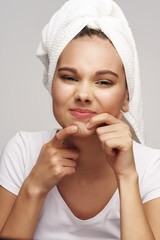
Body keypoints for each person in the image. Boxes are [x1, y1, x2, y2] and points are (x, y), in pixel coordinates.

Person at [0, 0, 160, 239]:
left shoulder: (151, 166)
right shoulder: (23, 150)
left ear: (127, 97)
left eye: (104, 82)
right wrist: (34, 186)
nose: (83, 95)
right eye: (69, 77)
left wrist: (127, 177)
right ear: (51, 84)